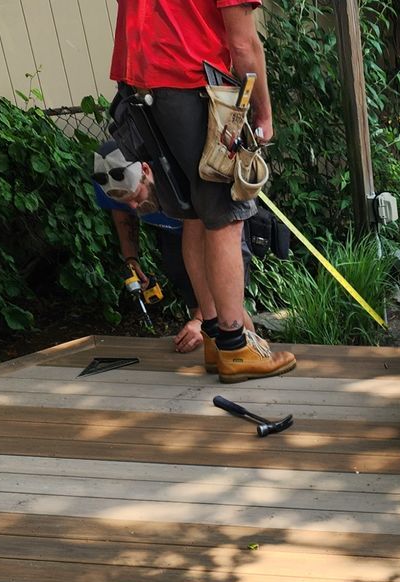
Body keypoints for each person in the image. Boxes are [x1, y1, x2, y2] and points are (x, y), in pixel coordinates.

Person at [108, 0, 296, 381]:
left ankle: (213, 334)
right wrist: (263, 116)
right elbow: (243, 46)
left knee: (195, 213)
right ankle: (234, 346)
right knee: (227, 215)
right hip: (192, 83)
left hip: (142, 87)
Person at [89, 142, 194, 310]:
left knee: (223, 308)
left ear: (146, 170)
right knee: (189, 290)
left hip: (211, 229)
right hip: (171, 234)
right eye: (124, 201)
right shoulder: (108, 181)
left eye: (136, 196)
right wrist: (131, 259)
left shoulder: (176, 175)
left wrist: (203, 317)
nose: (132, 206)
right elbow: (123, 216)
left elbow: (200, 241)